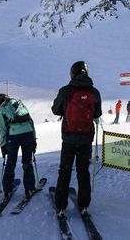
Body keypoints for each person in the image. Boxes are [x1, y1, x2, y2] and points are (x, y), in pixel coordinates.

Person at [51, 61, 102, 217]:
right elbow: (97, 113)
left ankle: (61, 205)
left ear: (72, 73)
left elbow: (55, 110)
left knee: (65, 171)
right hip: (86, 139)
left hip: (69, 139)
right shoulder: (94, 92)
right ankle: (84, 204)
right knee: (83, 171)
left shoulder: (65, 91)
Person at [0, 93, 37, 199]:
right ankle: (30, 188)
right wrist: (34, 140)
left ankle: (8, 190)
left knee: (10, 163)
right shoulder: (20, 104)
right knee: (27, 162)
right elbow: (31, 121)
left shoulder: (1, 110)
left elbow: (2, 130)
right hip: (28, 134)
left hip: (13, 136)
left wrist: (3, 146)